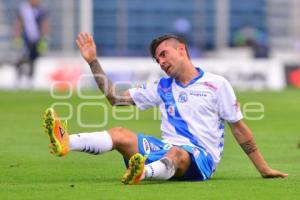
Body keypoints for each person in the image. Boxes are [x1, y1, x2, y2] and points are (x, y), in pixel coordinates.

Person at [43, 32, 288, 185]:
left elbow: (239, 128)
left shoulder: (216, 84)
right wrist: (92, 61)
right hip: (165, 149)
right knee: (119, 133)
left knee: (178, 154)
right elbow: (115, 98)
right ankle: (66, 142)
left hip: (200, 159)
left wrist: (263, 168)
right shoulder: (161, 87)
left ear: (181, 50)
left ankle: (144, 172)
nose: (161, 62)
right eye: (157, 60)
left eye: (163, 54)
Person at [13, 0, 49, 88]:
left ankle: (30, 79)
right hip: (25, 39)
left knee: (33, 60)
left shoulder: (41, 10)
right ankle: (19, 78)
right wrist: (17, 36)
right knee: (23, 58)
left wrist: (44, 39)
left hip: (36, 39)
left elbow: (44, 24)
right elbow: (19, 23)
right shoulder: (23, 9)